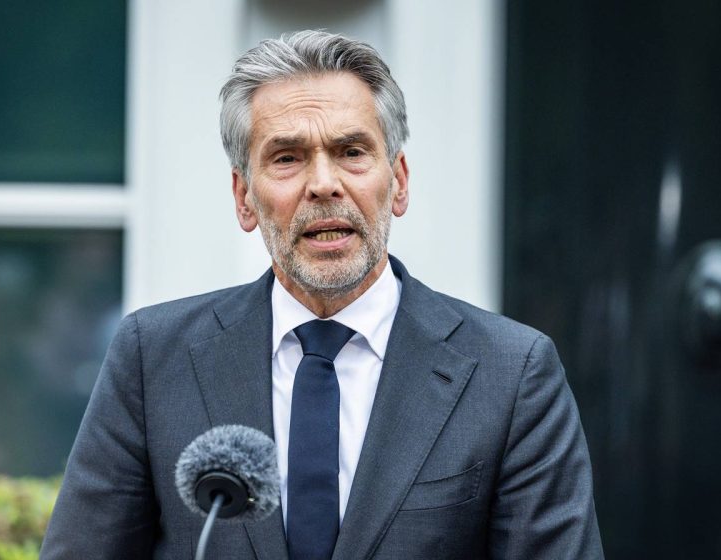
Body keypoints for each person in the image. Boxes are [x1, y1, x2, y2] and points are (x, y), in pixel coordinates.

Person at [41, 30, 603, 559]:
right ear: (244, 197)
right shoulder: (153, 358)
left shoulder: (511, 373)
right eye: (287, 158)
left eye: (352, 151)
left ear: (399, 181)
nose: (324, 184)